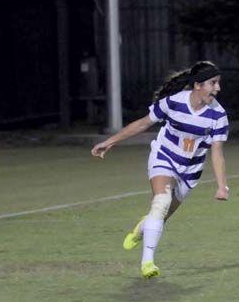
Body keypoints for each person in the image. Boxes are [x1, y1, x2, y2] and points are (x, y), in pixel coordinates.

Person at [91, 61, 229, 279]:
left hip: (190, 170)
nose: (218, 88)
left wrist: (222, 186)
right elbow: (143, 123)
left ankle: (141, 229)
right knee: (161, 202)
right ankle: (148, 263)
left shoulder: (218, 115)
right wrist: (111, 141)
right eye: (213, 83)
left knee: (161, 216)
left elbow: (217, 152)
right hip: (164, 156)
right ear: (197, 85)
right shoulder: (173, 103)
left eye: (218, 83)